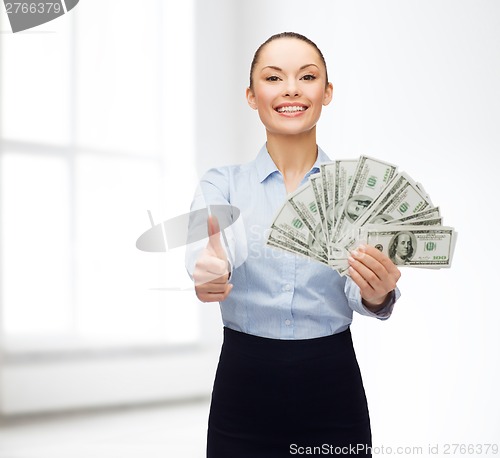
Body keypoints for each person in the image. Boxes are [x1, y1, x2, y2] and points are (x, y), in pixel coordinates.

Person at [186, 32, 401, 458]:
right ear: (251, 95)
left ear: (327, 92)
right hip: (242, 385)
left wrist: (378, 294)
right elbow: (209, 250)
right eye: (273, 78)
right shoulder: (222, 183)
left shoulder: (356, 190)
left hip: (332, 383)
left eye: (307, 76)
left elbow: (361, 292)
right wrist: (210, 271)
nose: (291, 89)